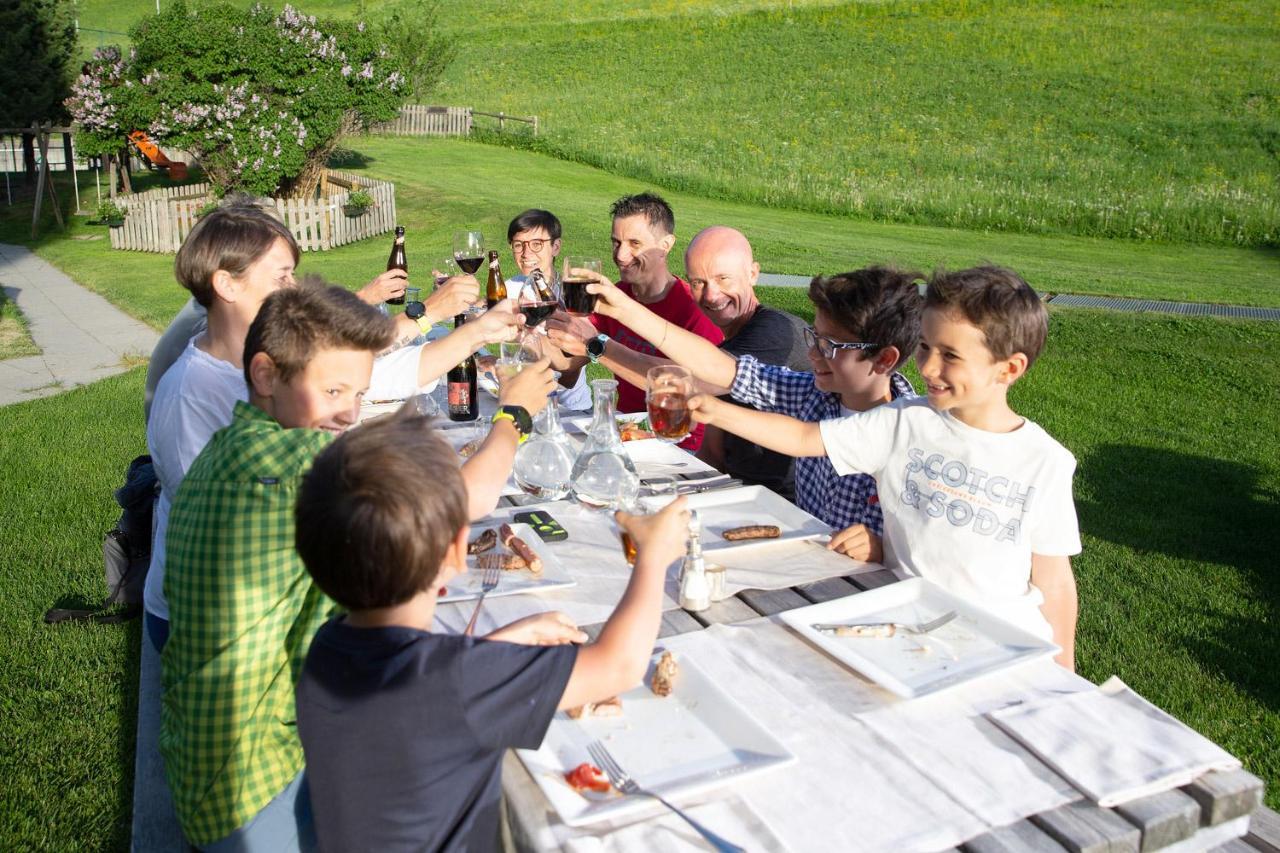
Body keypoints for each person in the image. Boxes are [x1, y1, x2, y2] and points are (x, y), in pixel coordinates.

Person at [159, 283, 554, 850]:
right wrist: (514, 416)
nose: (348, 413)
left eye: (359, 393)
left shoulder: (235, 444)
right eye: (334, 390)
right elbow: (466, 499)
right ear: (266, 375)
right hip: (260, 785)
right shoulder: (296, 462)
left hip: (207, 757)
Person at [293, 412, 691, 850]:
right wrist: (654, 557)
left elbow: (417, 695)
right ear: (457, 551)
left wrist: (494, 647)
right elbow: (618, 666)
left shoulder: (327, 645)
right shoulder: (457, 681)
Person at [142, 207, 523, 652]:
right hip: (213, 627)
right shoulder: (193, 393)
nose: (294, 288)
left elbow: (375, 377)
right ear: (227, 284)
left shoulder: (267, 360)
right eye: (282, 276)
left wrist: (478, 332)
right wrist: (514, 419)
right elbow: (231, 545)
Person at [689, 266, 1081, 667]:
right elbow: (804, 438)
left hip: (1006, 646)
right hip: (910, 631)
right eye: (926, 347)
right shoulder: (904, 420)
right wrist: (713, 410)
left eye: (950, 356)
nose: (927, 367)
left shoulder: (1045, 461)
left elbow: (1055, 582)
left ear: (1009, 368)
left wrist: (1066, 674)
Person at [580, 266, 920, 561]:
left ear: (885, 359)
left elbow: (936, 546)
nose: (814, 354)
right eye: (815, 337)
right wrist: (625, 310)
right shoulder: (813, 393)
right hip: (806, 561)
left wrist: (883, 548)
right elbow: (720, 367)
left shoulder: (914, 433)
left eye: (831, 346)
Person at [552, 225, 808, 497]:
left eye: (723, 279)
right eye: (698, 283)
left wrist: (598, 345)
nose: (711, 295)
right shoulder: (729, 342)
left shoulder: (775, 334)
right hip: (733, 490)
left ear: (753, 274)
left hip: (783, 504)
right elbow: (713, 454)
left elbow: (692, 383)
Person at [548, 192, 723, 451]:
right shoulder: (617, 294)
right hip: (623, 434)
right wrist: (536, 334)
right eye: (616, 242)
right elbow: (569, 367)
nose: (620, 254)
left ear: (666, 244)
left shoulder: (695, 309)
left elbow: (700, 385)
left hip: (680, 445)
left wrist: (597, 346)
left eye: (634, 243)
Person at [505, 208, 590, 410]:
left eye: (536, 244)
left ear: (556, 247)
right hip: (526, 403)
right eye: (518, 245)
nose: (526, 254)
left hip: (571, 410)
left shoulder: (575, 295)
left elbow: (569, 376)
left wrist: (523, 333)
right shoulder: (512, 287)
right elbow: (478, 319)